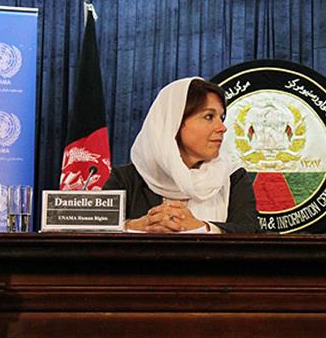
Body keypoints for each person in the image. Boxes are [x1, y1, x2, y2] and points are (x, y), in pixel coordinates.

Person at [103, 77, 259, 233]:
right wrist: (134, 226)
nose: (222, 127)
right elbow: (96, 228)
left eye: (221, 118)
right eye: (209, 117)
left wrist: (202, 228)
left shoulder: (233, 177)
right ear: (174, 122)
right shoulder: (125, 179)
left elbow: (250, 232)